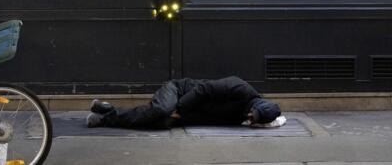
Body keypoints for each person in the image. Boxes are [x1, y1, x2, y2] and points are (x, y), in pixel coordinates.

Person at [86, 76, 281, 129]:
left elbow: (208, 118)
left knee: (161, 121)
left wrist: (180, 118)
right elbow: (205, 90)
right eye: (252, 116)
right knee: (162, 109)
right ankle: (105, 119)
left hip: (185, 110)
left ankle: (107, 109)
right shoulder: (241, 88)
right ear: (255, 107)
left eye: (253, 121)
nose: (249, 120)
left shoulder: (240, 118)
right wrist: (179, 109)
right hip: (179, 90)